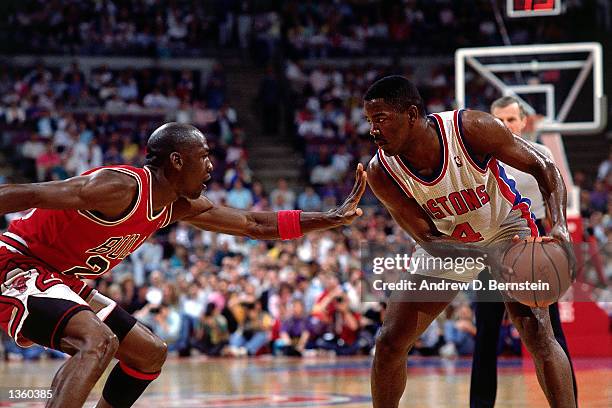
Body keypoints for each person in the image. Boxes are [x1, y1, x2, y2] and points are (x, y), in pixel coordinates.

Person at [0, 122, 367, 408]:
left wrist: (330, 218)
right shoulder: (118, 187)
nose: (211, 165)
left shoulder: (177, 205)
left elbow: (255, 224)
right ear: (176, 161)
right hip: (15, 262)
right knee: (97, 341)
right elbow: (30, 193)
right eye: (204, 156)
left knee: (148, 353)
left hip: (59, 277)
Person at [364, 76, 575, 408]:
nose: (373, 130)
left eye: (380, 119)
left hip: (506, 227)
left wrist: (560, 225)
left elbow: (545, 166)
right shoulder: (381, 172)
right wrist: (481, 258)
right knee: (389, 342)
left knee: (537, 333)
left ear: (412, 115)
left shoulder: (471, 128)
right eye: (369, 121)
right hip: (446, 244)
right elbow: (427, 238)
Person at [470, 96, 577, 407]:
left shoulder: (540, 156)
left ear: (523, 123)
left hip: (533, 251)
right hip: (489, 252)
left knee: (550, 332)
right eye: (498, 119)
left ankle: (571, 402)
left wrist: (559, 241)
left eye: (511, 120)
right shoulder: (476, 160)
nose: (504, 126)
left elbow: (552, 207)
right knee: (486, 335)